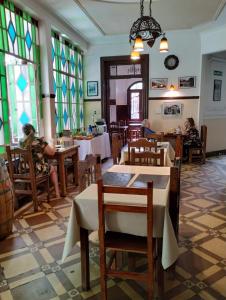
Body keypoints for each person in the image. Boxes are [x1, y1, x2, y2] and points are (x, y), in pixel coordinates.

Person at [20, 123, 60, 198]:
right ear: (33, 131)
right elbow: (52, 153)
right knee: (53, 169)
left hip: (23, 171)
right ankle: (57, 193)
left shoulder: (21, 142)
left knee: (44, 165)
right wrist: (53, 143)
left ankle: (34, 193)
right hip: (36, 172)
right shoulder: (38, 141)